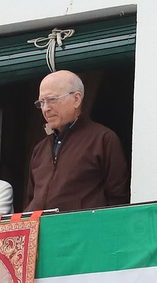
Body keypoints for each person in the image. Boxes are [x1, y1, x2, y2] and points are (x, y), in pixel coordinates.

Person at [22, 70, 130, 212]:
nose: (46, 108)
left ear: (76, 99)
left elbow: (118, 199)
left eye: (52, 99)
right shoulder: (39, 150)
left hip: (85, 231)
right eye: (41, 102)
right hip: (44, 232)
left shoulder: (103, 139)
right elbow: (30, 200)